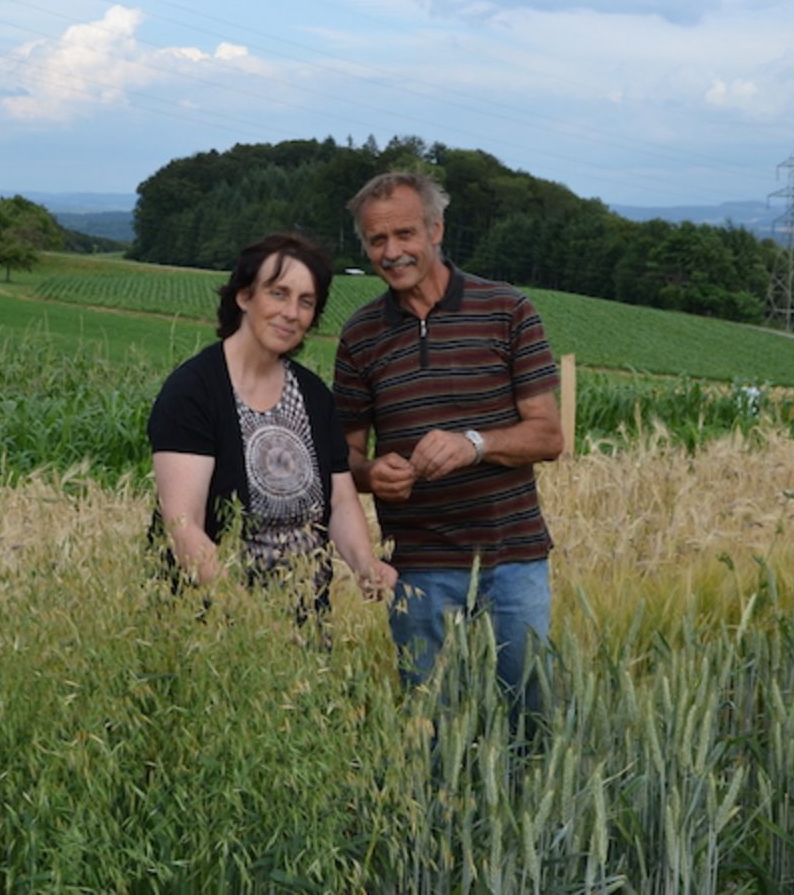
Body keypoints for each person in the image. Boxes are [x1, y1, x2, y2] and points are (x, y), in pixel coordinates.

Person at [332, 172, 564, 713]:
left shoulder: (508, 310)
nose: (392, 253)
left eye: (405, 234)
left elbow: (549, 435)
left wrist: (474, 445)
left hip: (513, 559)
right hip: (418, 566)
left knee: (530, 713)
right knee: (431, 723)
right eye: (377, 241)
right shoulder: (360, 334)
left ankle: (526, 800)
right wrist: (372, 475)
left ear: (436, 230)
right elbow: (344, 459)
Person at [148, 232, 397, 617]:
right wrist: (255, 626)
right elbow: (184, 529)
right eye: (278, 293)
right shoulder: (194, 391)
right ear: (244, 296)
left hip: (305, 624)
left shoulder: (313, 395)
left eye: (306, 302)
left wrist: (366, 565)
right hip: (212, 629)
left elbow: (341, 499)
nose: (291, 313)